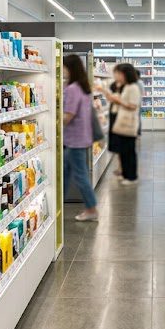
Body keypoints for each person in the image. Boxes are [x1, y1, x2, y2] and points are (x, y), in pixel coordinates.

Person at [62, 54, 98, 221]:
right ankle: (58, 203)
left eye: (64, 67)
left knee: (80, 175)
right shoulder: (83, 87)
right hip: (80, 138)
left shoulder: (72, 89)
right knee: (66, 172)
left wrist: (53, 118)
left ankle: (91, 209)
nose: (62, 70)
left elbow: (68, 116)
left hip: (74, 140)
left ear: (70, 68)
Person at [100, 63, 141, 185]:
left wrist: (118, 100)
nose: (117, 76)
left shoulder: (133, 87)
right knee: (124, 150)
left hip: (128, 123)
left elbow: (133, 106)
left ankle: (131, 176)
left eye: (119, 73)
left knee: (129, 151)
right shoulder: (127, 86)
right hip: (122, 122)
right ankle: (125, 174)